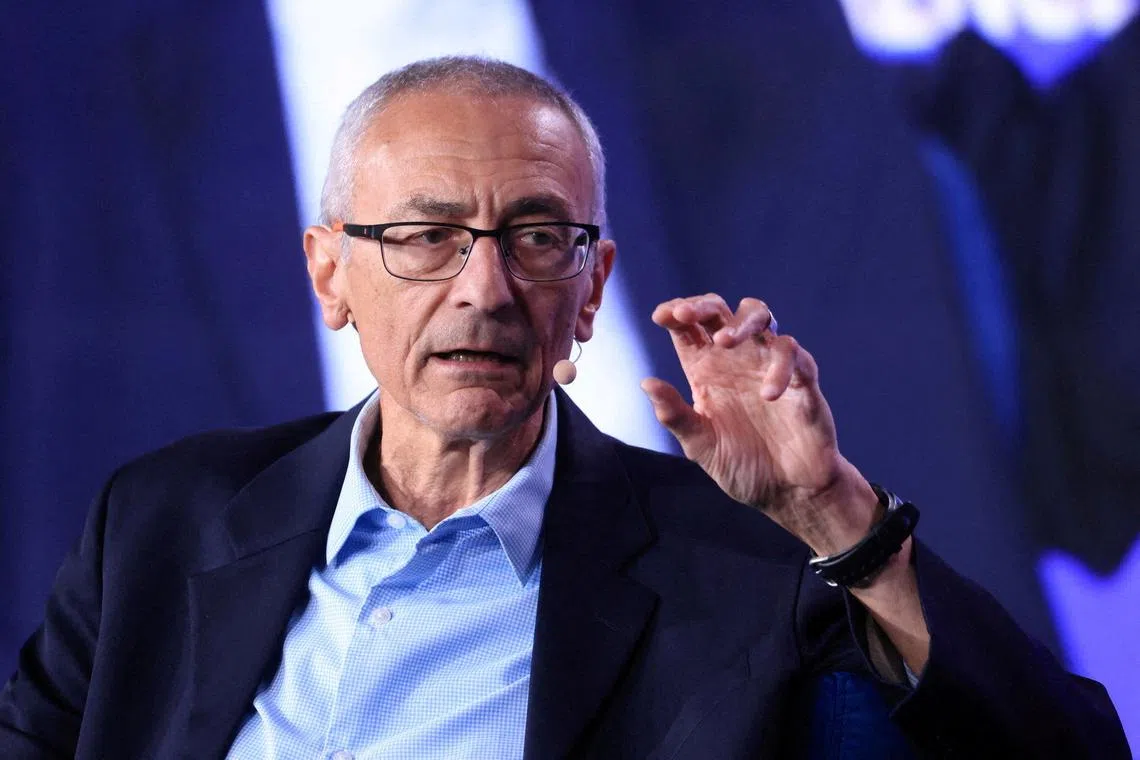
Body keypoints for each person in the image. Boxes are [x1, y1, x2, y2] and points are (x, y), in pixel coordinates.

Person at [0, 56, 1128, 759]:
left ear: (591, 290)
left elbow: (1064, 750)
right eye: (427, 236)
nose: (485, 288)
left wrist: (833, 510)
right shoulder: (163, 518)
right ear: (330, 273)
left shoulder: (739, 563)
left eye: (538, 238)